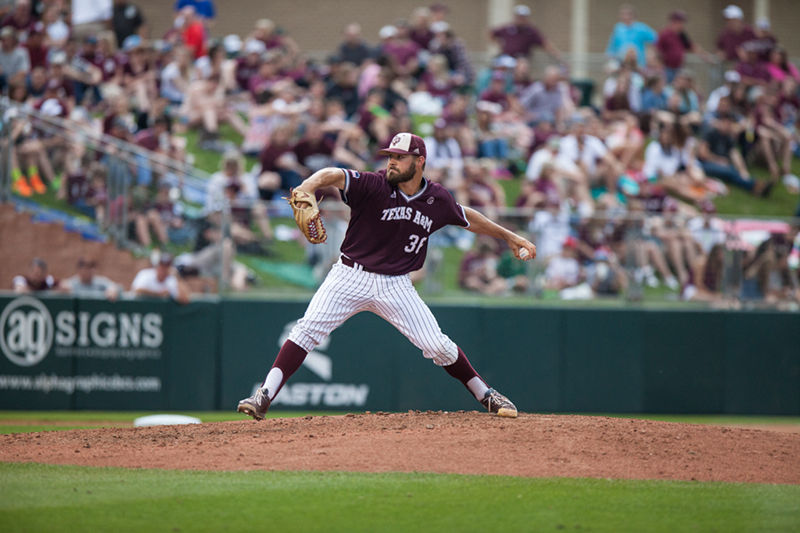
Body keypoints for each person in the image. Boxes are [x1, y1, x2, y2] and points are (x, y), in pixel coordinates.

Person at [237, 133, 536, 420]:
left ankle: (486, 395)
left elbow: (466, 216)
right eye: (390, 156)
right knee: (306, 330)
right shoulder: (373, 184)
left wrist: (509, 236)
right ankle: (264, 396)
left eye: (400, 157)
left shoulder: (436, 199)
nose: (391, 162)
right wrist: (308, 185)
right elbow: (333, 174)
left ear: (419, 162)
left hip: (396, 285)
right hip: (349, 276)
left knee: (438, 346)